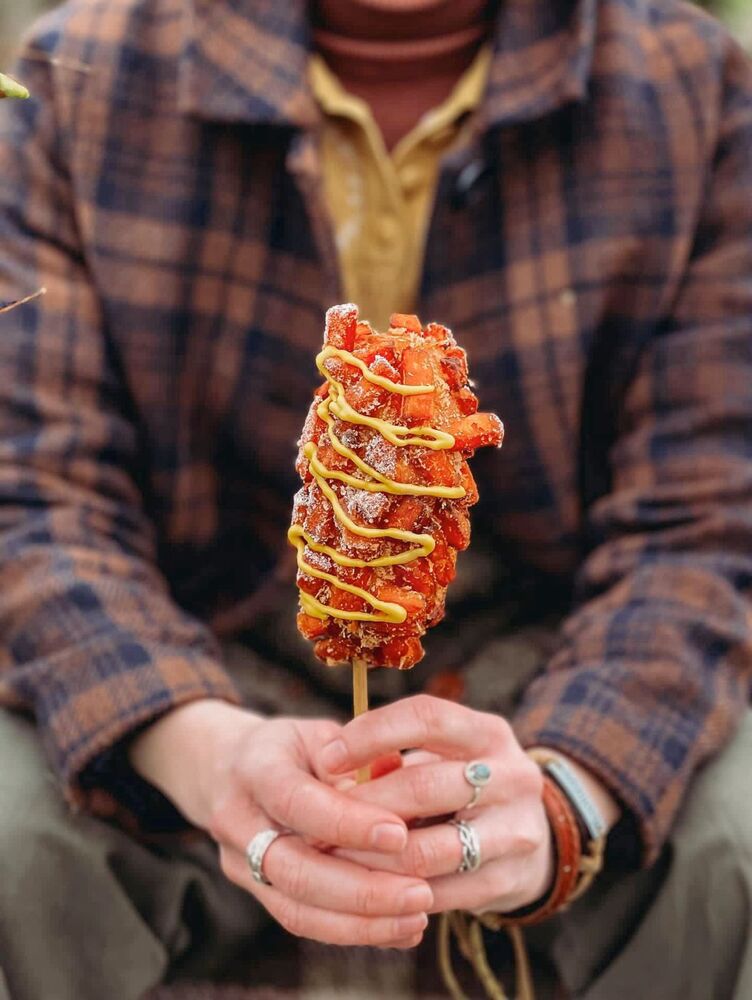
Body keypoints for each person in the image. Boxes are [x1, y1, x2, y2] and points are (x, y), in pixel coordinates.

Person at [0, 0, 751, 998]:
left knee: (737, 833)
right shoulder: (76, 77)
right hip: (199, 645)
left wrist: (566, 795)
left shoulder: (694, 87)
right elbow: (37, 492)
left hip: (554, 655)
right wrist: (198, 747)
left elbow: (704, 522)